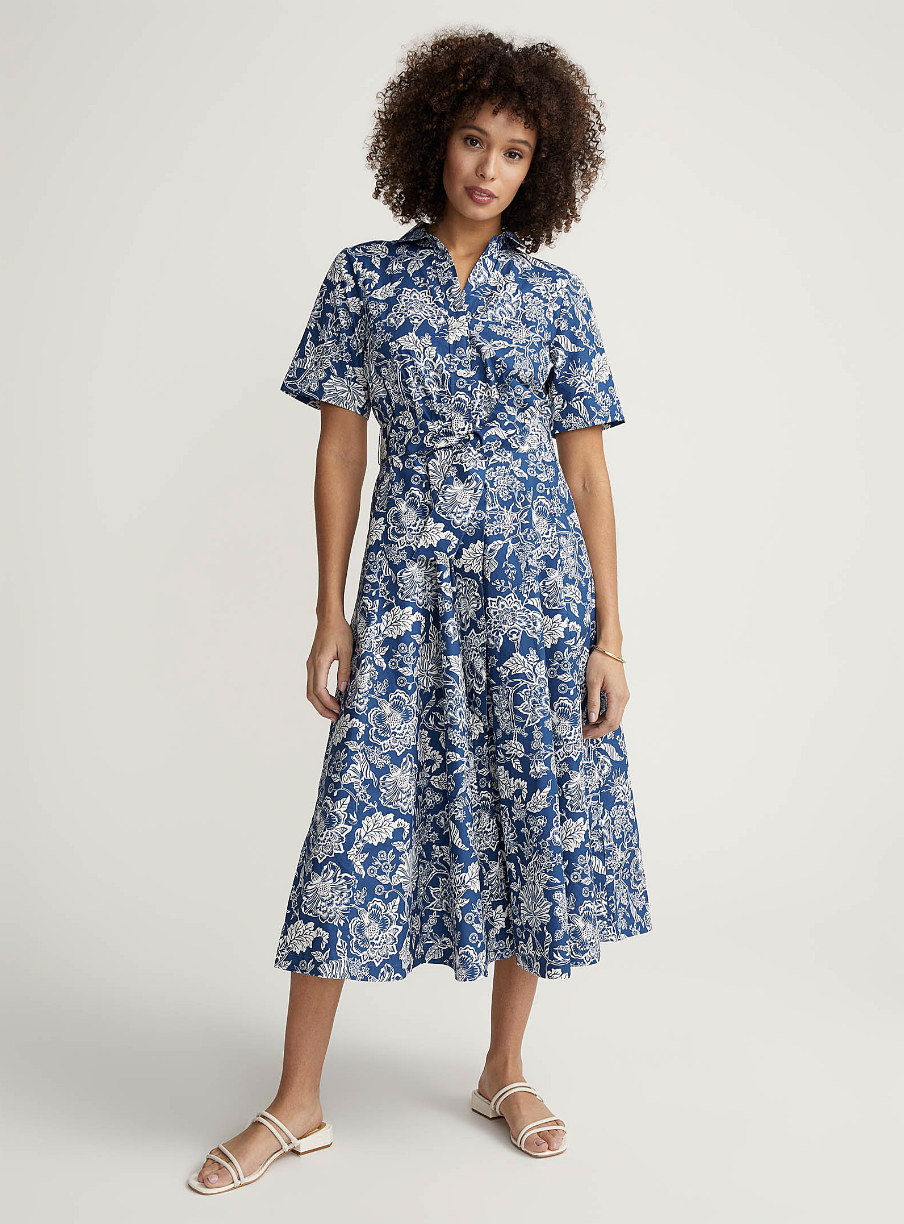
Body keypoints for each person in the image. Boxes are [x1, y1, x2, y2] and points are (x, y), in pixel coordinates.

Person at [188, 27, 652, 1194]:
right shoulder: (363, 277)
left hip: (538, 595)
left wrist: (609, 635)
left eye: (514, 149)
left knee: (523, 816)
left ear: (542, 166)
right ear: (430, 141)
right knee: (354, 828)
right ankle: (298, 1104)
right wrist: (328, 610)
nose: (488, 168)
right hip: (404, 595)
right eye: (470, 139)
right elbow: (339, 452)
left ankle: (502, 1066)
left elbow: (588, 476)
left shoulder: (556, 297)